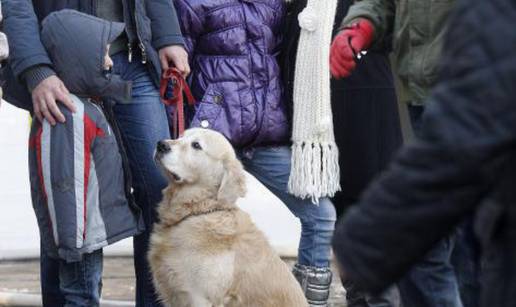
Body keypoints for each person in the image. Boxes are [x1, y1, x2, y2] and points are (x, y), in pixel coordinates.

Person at [3, 1, 189, 306]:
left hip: (131, 58)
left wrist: (169, 36)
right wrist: (36, 70)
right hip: (60, 64)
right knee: (68, 202)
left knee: (161, 189)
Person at [331, 0, 516, 306]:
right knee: (455, 242)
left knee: (435, 241)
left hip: (469, 92)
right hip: (421, 90)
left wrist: (363, 239)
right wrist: (361, 23)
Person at [173, 0, 336, 305]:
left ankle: (306, 301)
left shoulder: (272, 3)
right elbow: (176, 71)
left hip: (265, 135)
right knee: (194, 230)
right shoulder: (193, 2)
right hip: (214, 140)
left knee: (321, 215)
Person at [281, 0, 402, 306]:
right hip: (314, 122)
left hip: (365, 102)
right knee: (335, 217)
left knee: (370, 214)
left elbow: (393, 25)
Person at [25, 10, 144, 306]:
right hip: (80, 240)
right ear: (76, 59)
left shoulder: (87, 106)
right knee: (81, 296)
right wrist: (72, 243)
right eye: (102, 54)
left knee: (87, 292)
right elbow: (66, 182)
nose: (108, 62)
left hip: (86, 234)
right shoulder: (70, 115)